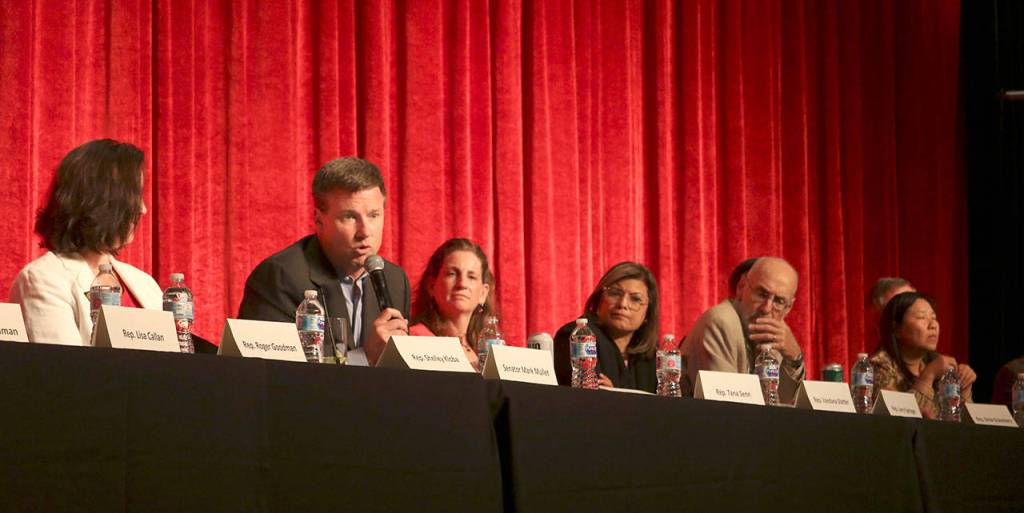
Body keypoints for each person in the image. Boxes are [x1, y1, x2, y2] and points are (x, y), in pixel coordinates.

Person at [237, 157, 410, 366]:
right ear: (319, 220)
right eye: (349, 217)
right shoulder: (280, 277)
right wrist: (363, 358)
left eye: (374, 215)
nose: (365, 232)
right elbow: (272, 375)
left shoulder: (394, 280)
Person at [9, 139, 163, 345]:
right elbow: (64, 370)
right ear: (100, 200)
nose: (143, 209)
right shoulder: (43, 279)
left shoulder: (145, 284)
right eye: (134, 196)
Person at [682, 257, 805, 403]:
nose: (766, 308)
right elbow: (726, 405)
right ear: (741, 287)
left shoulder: (777, 335)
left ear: (789, 307)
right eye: (761, 294)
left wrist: (794, 359)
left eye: (779, 301)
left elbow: (785, 405)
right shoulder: (720, 322)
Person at [553, 262, 660, 393]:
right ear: (599, 299)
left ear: (648, 313)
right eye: (615, 293)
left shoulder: (653, 357)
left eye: (635, 299)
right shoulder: (576, 336)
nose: (623, 304)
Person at [870, 291, 975, 418]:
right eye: (921, 317)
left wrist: (964, 389)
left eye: (934, 318)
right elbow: (903, 420)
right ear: (896, 329)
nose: (933, 325)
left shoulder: (938, 364)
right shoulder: (879, 366)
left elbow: (960, 426)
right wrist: (928, 375)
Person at [408, 238, 495, 370]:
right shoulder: (414, 339)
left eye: (471, 277)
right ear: (432, 286)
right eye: (452, 274)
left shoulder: (487, 350)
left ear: (483, 294)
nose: (462, 284)